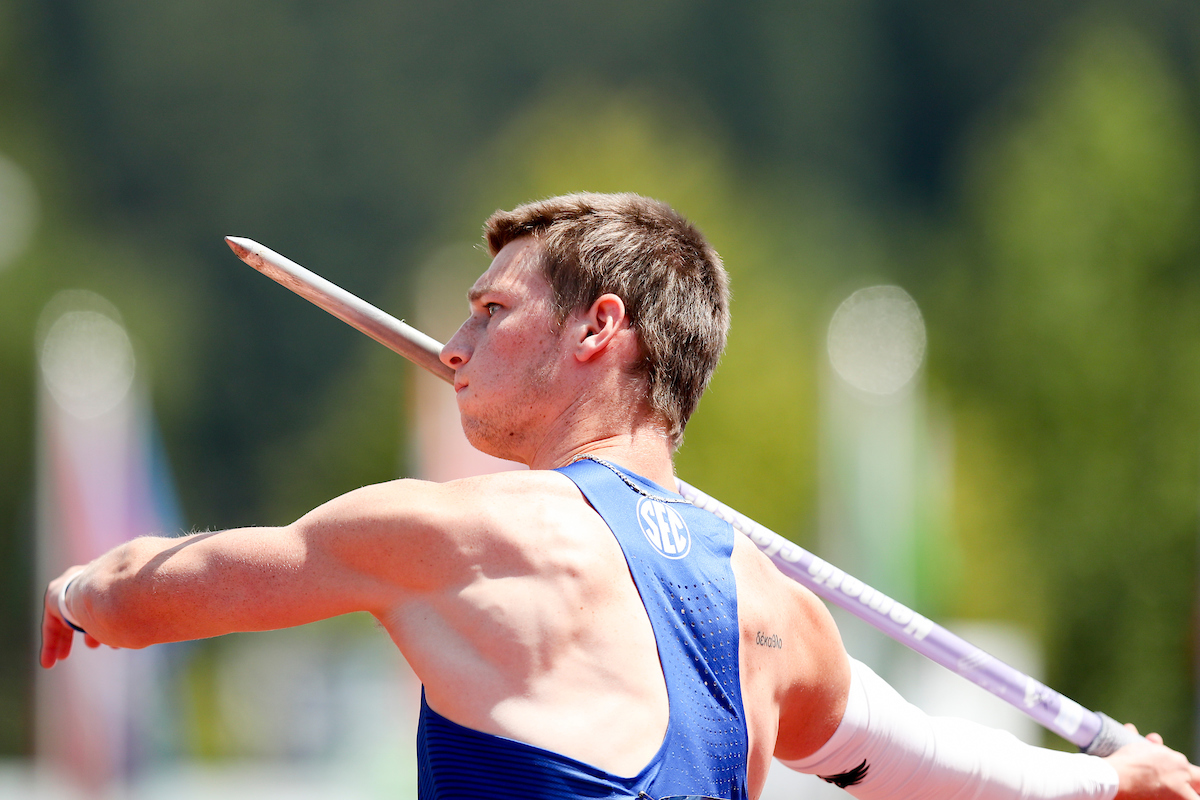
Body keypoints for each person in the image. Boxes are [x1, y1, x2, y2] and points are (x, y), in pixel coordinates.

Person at [42, 193, 1200, 800]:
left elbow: (156, 596)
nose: (453, 345)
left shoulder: (465, 537)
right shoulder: (772, 610)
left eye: (489, 311)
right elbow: (929, 764)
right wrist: (1111, 778)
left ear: (601, 329)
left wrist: (79, 583)